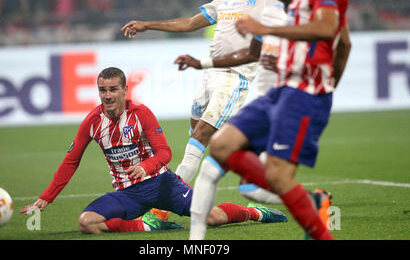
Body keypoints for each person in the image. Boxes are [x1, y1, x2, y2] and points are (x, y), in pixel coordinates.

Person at [189, 0, 351, 240]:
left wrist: (324, 88)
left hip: (302, 95)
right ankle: (195, 242)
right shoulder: (288, 1)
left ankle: (317, 218)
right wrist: (203, 62)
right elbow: (344, 43)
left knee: (273, 177)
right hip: (276, 95)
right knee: (221, 146)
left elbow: (330, 31)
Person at [20, 67, 287, 234]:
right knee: (87, 223)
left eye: (114, 89)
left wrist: (145, 167)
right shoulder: (92, 122)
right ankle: (148, 224)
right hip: (127, 193)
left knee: (214, 218)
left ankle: (254, 212)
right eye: (103, 90)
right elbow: (71, 161)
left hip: (162, 184)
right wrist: (46, 197)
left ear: (125, 90)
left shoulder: (141, 114)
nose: (108, 95)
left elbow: (165, 152)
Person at [121, 0, 281, 211]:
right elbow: (188, 23)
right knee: (198, 133)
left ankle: (162, 208)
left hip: (235, 78)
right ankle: (254, 173)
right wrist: (147, 25)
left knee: (200, 136)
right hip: (209, 76)